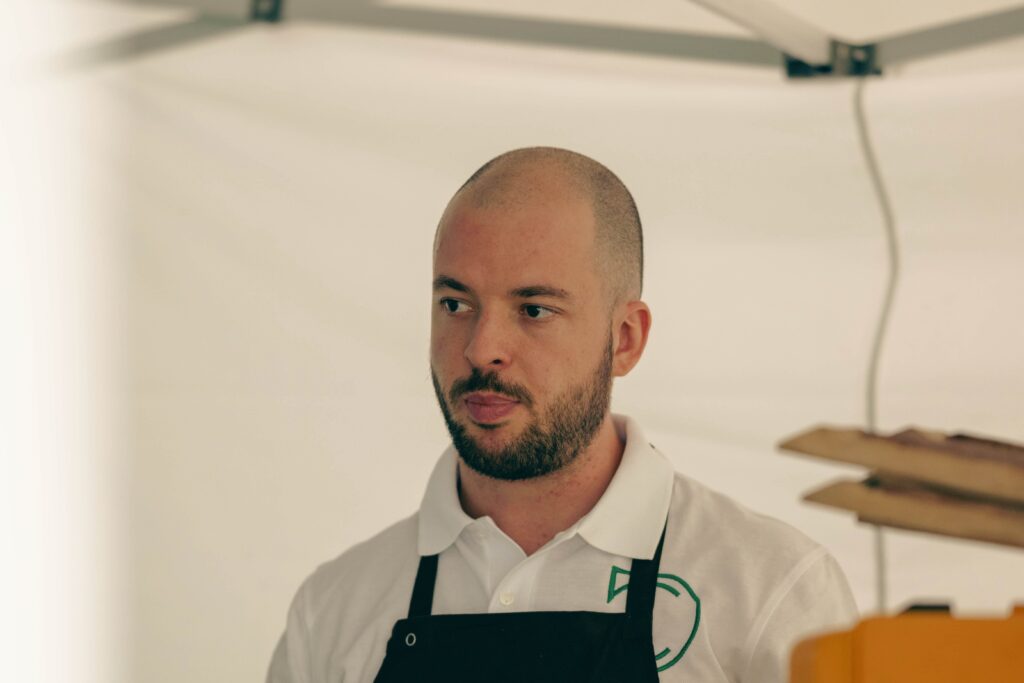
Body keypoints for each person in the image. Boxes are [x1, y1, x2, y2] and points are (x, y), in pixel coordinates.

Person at [266, 147, 857, 683]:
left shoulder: (771, 592)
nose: (481, 349)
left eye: (534, 309)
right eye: (455, 303)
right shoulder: (334, 610)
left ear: (625, 339)